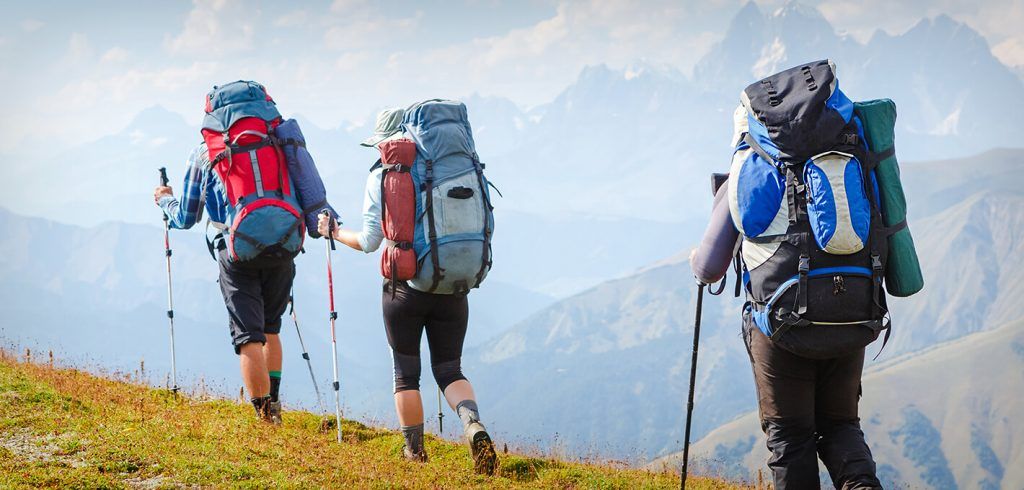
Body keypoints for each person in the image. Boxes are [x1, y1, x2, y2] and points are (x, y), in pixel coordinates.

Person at [690, 102, 882, 489]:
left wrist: (696, 260)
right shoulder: (853, 160)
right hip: (853, 314)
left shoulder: (751, 166)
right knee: (842, 426)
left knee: (791, 438)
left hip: (781, 327)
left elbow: (710, 268)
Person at [317, 107, 498, 474]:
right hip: (452, 284)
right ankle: (472, 424)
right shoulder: (454, 166)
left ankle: (414, 453)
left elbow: (369, 241)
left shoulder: (384, 174)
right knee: (450, 369)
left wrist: (333, 231)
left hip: (405, 289)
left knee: (406, 374)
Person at [153, 81, 304, 425]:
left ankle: (267, 419)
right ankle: (275, 402)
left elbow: (186, 217)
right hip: (284, 244)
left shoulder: (205, 152)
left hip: (234, 251)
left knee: (248, 335)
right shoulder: (281, 139)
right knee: (271, 327)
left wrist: (165, 199)